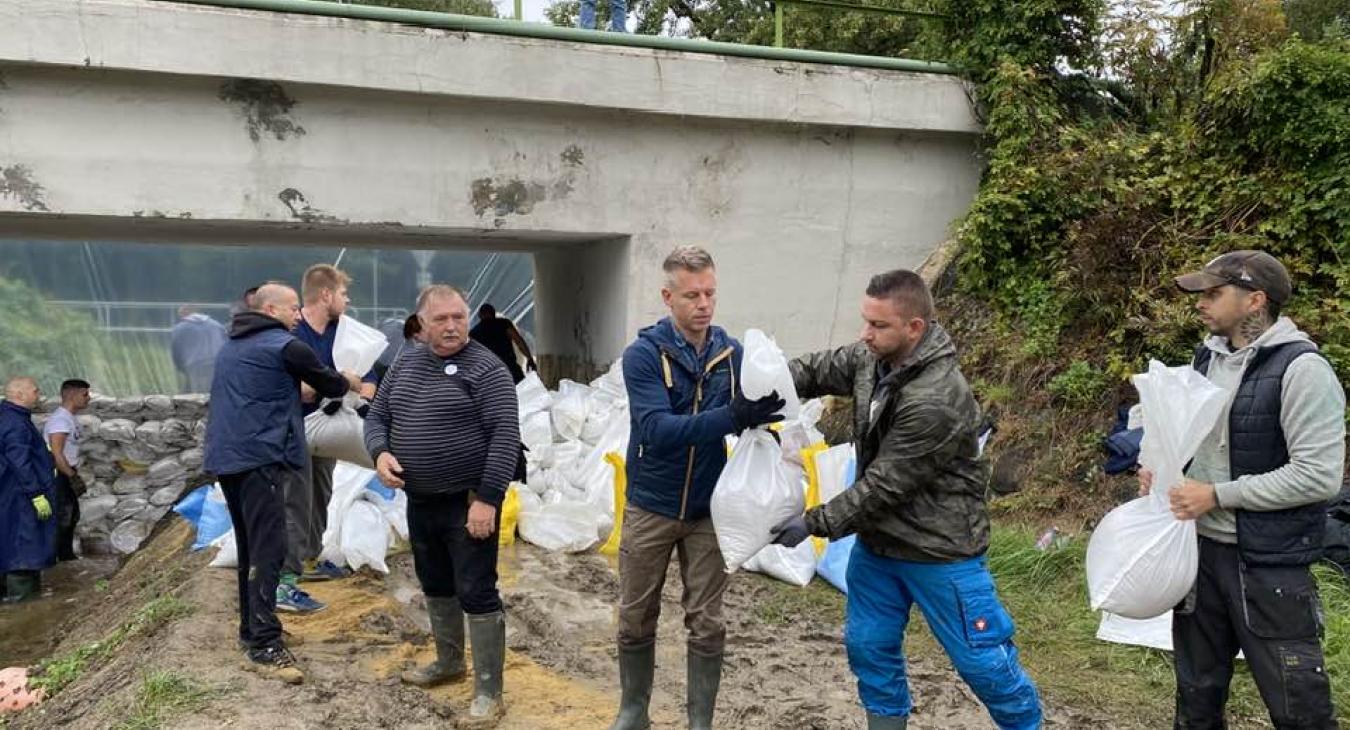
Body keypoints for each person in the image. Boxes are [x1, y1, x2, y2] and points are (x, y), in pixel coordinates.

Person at [772, 270, 1042, 730]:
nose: (865, 334)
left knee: (985, 665)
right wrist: (762, 382)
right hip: (879, 549)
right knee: (869, 648)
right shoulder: (871, 359)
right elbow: (817, 369)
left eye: (878, 326)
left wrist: (812, 523)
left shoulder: (936, 397)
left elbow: (884, 487)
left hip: (939, 552)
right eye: (865, 321)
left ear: (914, 328)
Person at [1142, 250, 1344, 728]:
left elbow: (1319, 475)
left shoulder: (1304, 370)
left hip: (1269, 567)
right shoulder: (1206, 360)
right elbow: (1198, 441)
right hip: (1201, 556)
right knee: (1197, 697)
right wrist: (1164, 470)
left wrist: (1216, 495)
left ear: (1255, 300)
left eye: (1214, 294)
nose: (1200, 304)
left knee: (1299, 707)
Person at [608, 246, 784, 730]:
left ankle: (699, 721)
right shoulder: (643, 356)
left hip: (710, 507)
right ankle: (633, 710)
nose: (703, 304)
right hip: (652, 503)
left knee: (707, 618)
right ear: (668, 297)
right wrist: (732, 415)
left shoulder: (732, 354)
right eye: (691, 295)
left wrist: (766, 425)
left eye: (710, 293)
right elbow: (657, 431)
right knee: (635, 612)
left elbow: (761, 411)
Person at [365, 285, 520, 729]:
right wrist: (379, 453)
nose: (452, 326)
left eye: (459, 317)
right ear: (421, 323)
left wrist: (487, 499)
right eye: (441, 319)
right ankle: (448, 662)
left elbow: (505, 437)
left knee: (476, 589)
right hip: (421, 499)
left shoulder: (486, 368)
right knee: (435, 583)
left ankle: (489, 691)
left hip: (468, 500)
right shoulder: (407, 359)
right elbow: (378, 416)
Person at [204, 283, 362, 683]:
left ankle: (251, 630)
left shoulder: (233, 344)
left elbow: (266, 390)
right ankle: (264, 644)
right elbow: (330, 385)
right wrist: (348, 379)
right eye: (292, 308)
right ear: (271, 309)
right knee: (269, 548)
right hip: (262, 459)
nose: (298, 315)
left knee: (252, 546)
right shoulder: (285, 345)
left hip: (229, 458)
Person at [282, 264, 379, 602]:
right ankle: (286, 575)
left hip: (330, 423)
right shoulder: (295, 335)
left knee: (321, 490)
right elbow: (298, 388)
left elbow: (366, 377)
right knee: (296, 497)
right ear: (325, 295)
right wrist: (338, 381)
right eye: (342, 293)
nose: (346, 300)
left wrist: (362, 386)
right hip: (297, 427)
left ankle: (310, 557)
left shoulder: (344, 333)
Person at [0, 377, 56, 603]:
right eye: (35, 390)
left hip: (16, 493)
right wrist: (36, 494)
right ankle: (22, 605)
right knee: (23, 548)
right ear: (20, 395)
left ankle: (27, 600)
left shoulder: (14, 417)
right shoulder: (14, 422)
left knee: (22, 545)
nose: (39, 394)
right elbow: (19, 461)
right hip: (20, 496)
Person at [43, 378, 91, 562]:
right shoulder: (60, 420)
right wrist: (72, 477)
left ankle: (65, 555)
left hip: (66, 472)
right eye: (85, 394)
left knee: (70, 515)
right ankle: (56, 558)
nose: (89, 398)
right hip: (59, 473)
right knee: (64, 516)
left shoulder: (69, 418)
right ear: (71, 394)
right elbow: (56, 454)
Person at [469, 303, 537, 385]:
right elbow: (519, 341)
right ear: (493, 313)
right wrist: (529, 358)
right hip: (511, 369)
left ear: (480, 315)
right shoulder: (504, 324)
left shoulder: (473, 334)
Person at [170, 305, 228, 393]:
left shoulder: (180, 328)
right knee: (218, 393)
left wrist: (181, 367)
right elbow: (226, 343)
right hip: (219, 364)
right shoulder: (216, 325)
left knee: (199, 398)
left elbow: (176, 351)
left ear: (183, 315)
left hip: (196, 364)